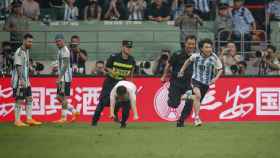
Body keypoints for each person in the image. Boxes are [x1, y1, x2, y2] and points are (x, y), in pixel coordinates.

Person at [178, 38, 223, 126]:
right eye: (206, 47)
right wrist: (182, 70)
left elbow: (220, 69)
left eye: (210, 47)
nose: (209, 49)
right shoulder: (196, 56)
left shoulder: (214, 57)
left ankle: (186, 96)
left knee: (197, 99)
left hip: (206, 83)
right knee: (198, 96)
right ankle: (197, 119)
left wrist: (215, 79)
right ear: (201, 48)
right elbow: (188, 61)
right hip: (195, 80)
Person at [92, 40, 136, 127]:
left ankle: (122, 121)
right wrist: (113, 72)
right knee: (103, 102)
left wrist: (130, 82)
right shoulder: (114, 57)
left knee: (125, 101)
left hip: (121, 83)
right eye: (127, 47)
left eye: (130, 48)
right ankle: (94, 121)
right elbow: (107, 67)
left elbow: (132, 71)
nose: (128, 49)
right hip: (110, 82)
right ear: (122, 47)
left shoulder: (132, 59)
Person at [161, 35, 197, 127]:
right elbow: (168, 65)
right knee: (174, 104)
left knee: (190, 101)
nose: (191, 46)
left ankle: (181, 120)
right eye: (189, 44)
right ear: (185, 44)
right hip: (176, 83)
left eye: (193, 44)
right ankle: (173, 98)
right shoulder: (177, 54)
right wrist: (164, 76)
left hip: (188, 85)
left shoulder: (196, 56)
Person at [11, 33, 42, 127]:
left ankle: (29, 119)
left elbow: (25, 65)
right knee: (19, 99)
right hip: (19, 80)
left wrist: (31, 68)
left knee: (29, 98)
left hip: (26, 80)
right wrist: (22, 80)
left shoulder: (26, 51)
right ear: (24, 41)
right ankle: (17, 120)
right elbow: (18, 67)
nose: (30, 43)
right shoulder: (19, 52)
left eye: (32, 42)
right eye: (29, 41)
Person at [53, 34, 79, 124]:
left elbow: (65, 65)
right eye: (56, 42)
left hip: (64, 78)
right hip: (64, 77)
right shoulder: (61, 50)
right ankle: (74, 111)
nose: (57, 43)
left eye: (59, 41)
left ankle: (63, 118)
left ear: (63, 41)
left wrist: (59, 78)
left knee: (63, 98)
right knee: (59, 97)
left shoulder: (65, 50)